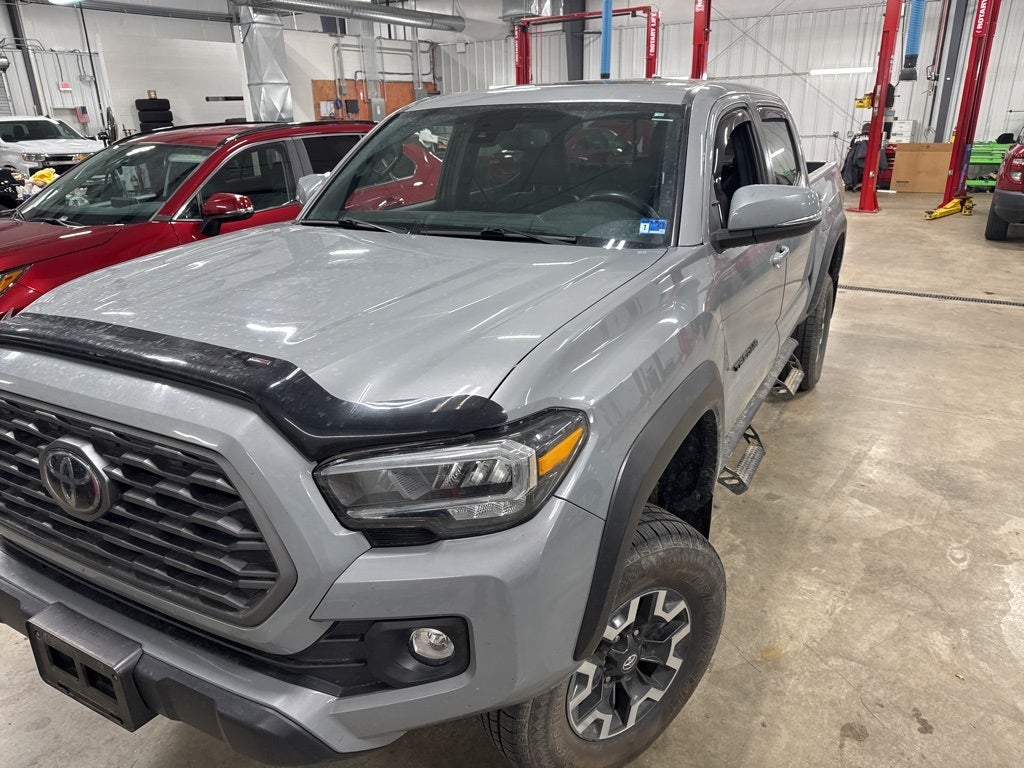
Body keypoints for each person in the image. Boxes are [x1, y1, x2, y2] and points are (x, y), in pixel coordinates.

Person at [842, 122, 889, 191]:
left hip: (854, 162)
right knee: (876, 162)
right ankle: (872, 182)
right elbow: (879, 151)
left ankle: (850, 183)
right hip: (869, 161)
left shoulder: (855, 138)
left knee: (851, 161)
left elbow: (851, 149)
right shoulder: (874, 138)